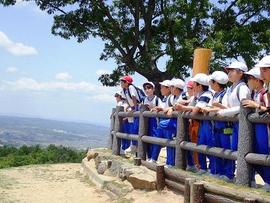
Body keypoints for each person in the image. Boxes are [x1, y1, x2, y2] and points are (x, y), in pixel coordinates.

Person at [216, 61, 250, 182]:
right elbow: (226, 105)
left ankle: (248, 178)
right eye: (228, 71)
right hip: (232, 123)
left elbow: (244, 106)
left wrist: (224, 112)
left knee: (240, 149)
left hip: (242, 124)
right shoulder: (231, 88)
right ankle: (230, 174)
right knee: (232, 148)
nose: (228, 73)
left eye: (231, 71)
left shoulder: (242, 88)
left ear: (240, 73)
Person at [175, 73, 213, 174]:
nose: (193, 86)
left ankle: (213, 169)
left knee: (209, 146)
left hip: (208, 124)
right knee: (201, 145)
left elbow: (195, 110)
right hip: (202, 124)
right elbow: (193, 106)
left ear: (200, 86)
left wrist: (183, 108)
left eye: (195, 84)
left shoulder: (206, 95)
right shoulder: (198, 96)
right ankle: (203, 168)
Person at [201, 71, 233, 179]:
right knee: (216, 149)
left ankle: (228, 174)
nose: (210, 84)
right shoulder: (214, 94)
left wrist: (216, 106)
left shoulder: (226, 94)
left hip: (225, 126)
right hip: (215, 126)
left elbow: (227, 108)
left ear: (216, 83)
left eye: (212, 82)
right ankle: (217, 171)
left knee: (226, 150)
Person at [243, 65, 270, 191]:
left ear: (257, 80)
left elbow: (267, 110)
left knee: (263, 154)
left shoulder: (264, 94)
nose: (248, 81)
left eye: (250, 78)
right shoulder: (254, 94)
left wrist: (256, 105)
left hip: (264, 130)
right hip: (255, 129)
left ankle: (268, 182)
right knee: (254, 154)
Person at [120, 75, 141, 154]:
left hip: (137, 107)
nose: (121, 83)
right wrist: (129, 106)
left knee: (135, 127)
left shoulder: (130, 87)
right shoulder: (125, 90)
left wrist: (134, 108)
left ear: (127, 82)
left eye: (123, 81)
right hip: (133, 107)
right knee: (132, 127)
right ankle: (134, 145)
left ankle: (134, 146)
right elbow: (130, 99)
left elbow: (133, 96)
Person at [142, 81, 161, 162]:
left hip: (154, 121)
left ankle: (154, 158)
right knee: (146, 138)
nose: (147, 90)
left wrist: (153, 108)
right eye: (145, 88)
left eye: (149, 88)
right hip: (146, 121)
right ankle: (149, 156)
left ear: (153, 89)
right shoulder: (144, 99)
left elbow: (161, 108)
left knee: (154, 138)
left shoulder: (157, 99)